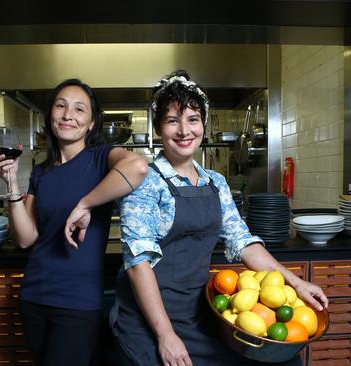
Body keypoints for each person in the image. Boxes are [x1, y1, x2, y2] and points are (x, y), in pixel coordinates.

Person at [110, 70, 329, 366]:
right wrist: (166, 335)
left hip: (200, 311)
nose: (184, 130)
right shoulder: (145, 182)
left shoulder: (215, 182)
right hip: (150, 319)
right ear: (159, 128)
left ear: (203, 124)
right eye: (173, 120)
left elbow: (243, 242)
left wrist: (296, 283)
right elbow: (138, 264)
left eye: (192, 119)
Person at [0, 78, 147, 366]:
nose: (67, 115)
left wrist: (85, 204)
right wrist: (11, 182)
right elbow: (26, 238)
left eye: (79, 109)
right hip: (34, 296)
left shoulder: (101, 159)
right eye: (61, 106)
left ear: (91, 124)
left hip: (77, 301)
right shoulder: (42, 170)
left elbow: (138, 167)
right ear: (50, 115)